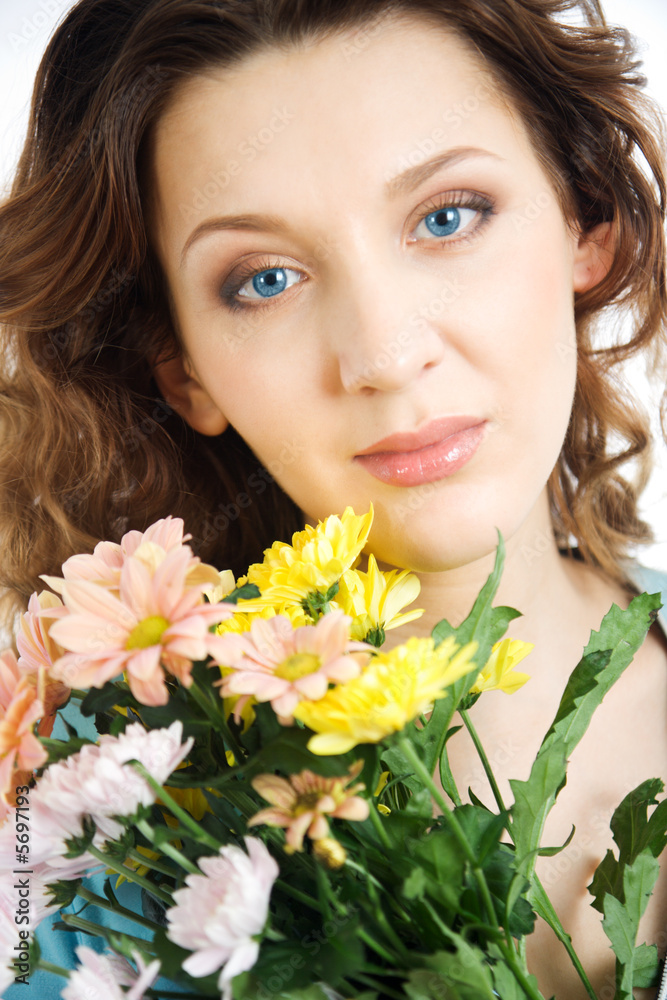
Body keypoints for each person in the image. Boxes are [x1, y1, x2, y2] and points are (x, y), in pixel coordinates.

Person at [0, 0, 666, 997]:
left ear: (585, 218)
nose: (385, 355)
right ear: (181, 367)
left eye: (447, 216)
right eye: (265, 278)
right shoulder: (92, 823)